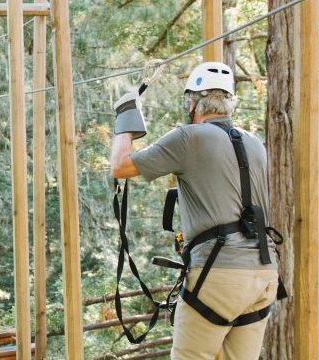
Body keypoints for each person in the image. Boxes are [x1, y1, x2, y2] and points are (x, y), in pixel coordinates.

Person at [109, 62, 280, 360]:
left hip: (218, 274)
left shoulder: (189, 137)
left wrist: (125, 117)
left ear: (192, 102)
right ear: (229, 103)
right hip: (262, 275)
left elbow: (120, 166)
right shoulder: (255, 143)